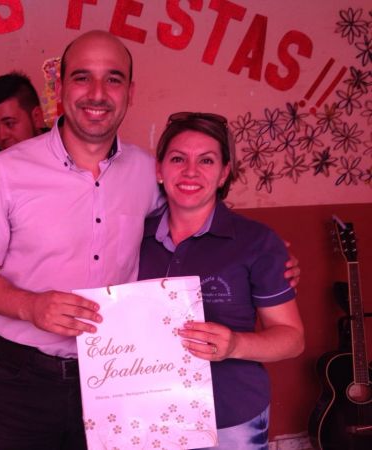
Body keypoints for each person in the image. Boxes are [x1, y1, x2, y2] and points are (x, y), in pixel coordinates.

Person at [0, 31, 300, 450]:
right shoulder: (3, 172)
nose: (97, 93)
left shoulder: (147, 171)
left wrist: (269, 256)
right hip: (24, 382)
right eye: (82, 77)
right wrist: (30, 306)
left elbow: (198, 214)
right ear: (59, 89)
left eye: (113, 79)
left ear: (130, 93)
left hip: (124, 383)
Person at [138, 112, 305, 449]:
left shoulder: (257, 241)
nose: (190, 171)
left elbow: (292, 338)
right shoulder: (131, 237)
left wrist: (235, 345)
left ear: (224, 172)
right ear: (159, 169)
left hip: (230, 419)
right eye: (178, 159)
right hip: (146, 415)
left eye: (206, 160)